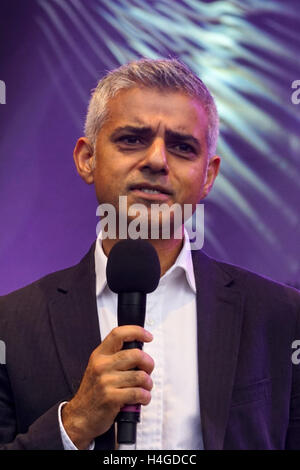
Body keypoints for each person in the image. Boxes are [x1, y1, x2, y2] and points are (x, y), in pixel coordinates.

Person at [0, 58, 300, 450]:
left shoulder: (281, 317)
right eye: (132, 139)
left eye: (181, 146)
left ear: (208, 176)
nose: (157, 160)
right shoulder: (11, 325)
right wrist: (73, 423)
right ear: (87, 158)